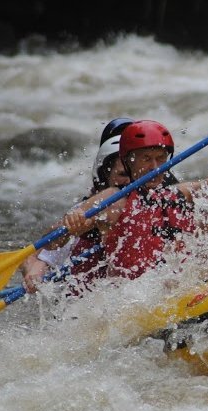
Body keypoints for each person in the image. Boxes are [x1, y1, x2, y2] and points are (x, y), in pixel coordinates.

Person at [56, 106, 208, 281]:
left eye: (160, 158)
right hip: (131, 301)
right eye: (146, 158)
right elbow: (51, 239)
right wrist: (70, 224)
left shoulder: (181, 193)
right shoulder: (113, 200)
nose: (155, 167)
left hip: (177, 291)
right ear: (129, 161)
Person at [21, 117, 135, 293]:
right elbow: (39, 255)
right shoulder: (85, 211)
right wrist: (34, 271)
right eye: (122, 174)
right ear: (105, 175)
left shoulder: (164, 199)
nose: (130, 181)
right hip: (91, 300)